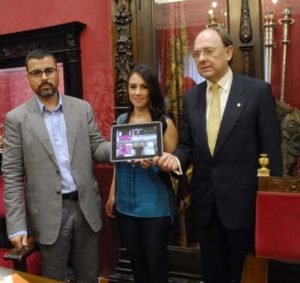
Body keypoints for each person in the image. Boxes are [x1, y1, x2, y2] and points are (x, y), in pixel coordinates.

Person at [153, 27, 282, 283]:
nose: (201, 58)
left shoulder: (257, 93)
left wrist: (271, 207)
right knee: (212, 274)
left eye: (209, 52)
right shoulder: (191, 99)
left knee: (245, 275)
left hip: (245, 210)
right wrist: (175, 159)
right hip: (206, 209)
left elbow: (272, 154)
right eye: (197, 53)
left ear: (229, 52)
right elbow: (187, 146)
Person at [2, 49, 110, 283]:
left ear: (57, 72)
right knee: (53, 278)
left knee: (88, 277)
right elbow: (11, 175)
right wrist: (16, 226)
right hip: (48, 215)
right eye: (37, 72)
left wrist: (125, 149)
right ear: (27, 77)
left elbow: (98, 148)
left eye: (49, 70)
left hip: (85, 209)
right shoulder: (16, 119)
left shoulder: (81, 109)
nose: (44, 77)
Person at [105, 64, 178, 283]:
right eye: (133, 87)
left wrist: (155, 163)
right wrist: (112, 195)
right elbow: (118, 163)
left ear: (151, 90)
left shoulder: (165, 123)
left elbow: (175, 165)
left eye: (143, 87)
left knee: (156, 263)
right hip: (125, 205)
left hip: (155, 205)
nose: (137, 92)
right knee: (136, 263)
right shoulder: (121, 122)